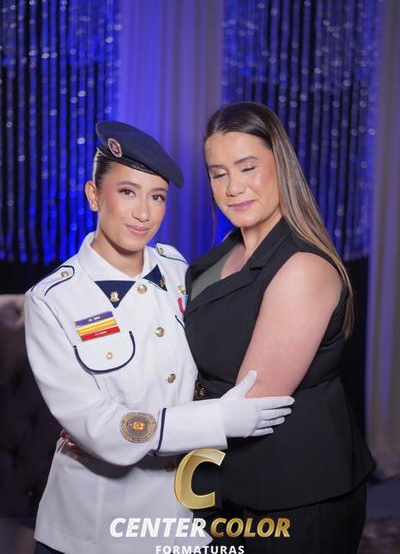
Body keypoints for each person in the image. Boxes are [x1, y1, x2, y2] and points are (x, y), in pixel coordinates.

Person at [24, 121, 294, 554]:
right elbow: (98, 426)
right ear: (94, 195)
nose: (144, 214)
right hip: (95, 530)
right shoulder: (53, 299)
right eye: (127, 192)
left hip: (186, 517)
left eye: (157, 197)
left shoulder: (177, 268)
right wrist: (215, 421)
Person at [184, 102, 375, 553]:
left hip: (295, 493)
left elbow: (251, 404)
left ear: (280, 166)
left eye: (247, 167)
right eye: (218, 173)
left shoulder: (302, 268)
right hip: (225, 482)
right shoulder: (222, 254)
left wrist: (135, 430)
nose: (233, 187)